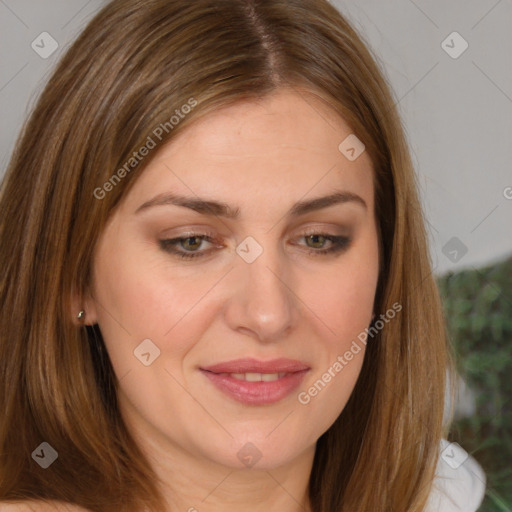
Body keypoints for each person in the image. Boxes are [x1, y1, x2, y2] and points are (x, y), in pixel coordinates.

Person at [0, 0, 486, 510]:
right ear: (72, 277)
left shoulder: (446, 495)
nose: (268, 313)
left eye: (319, 239)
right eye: (191, 242)